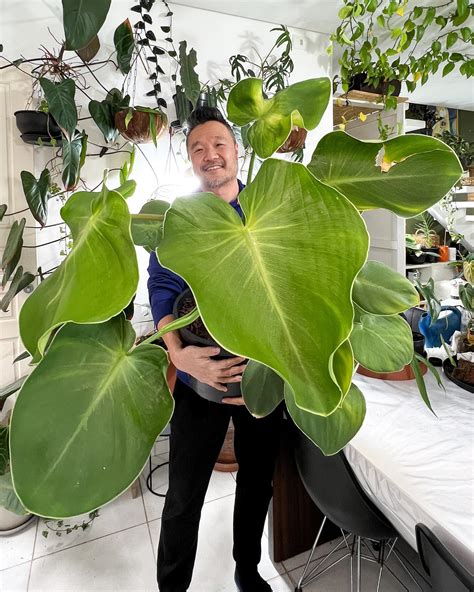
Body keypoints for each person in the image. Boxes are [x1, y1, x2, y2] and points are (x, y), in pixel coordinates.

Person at [147, 107, 283, 592]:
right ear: (190, 161)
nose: (210, 155)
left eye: (218, 145)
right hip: (196, 372)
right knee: (183, 493)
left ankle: (248, 574)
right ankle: (172, 587)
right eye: (198, 149)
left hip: (260, 376)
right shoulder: (180, 218)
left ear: (237, 152)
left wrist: (270, 370)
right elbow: (162, 285)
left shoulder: (269, 210)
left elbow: (288, 289)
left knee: (256, 485)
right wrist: (177, 353)